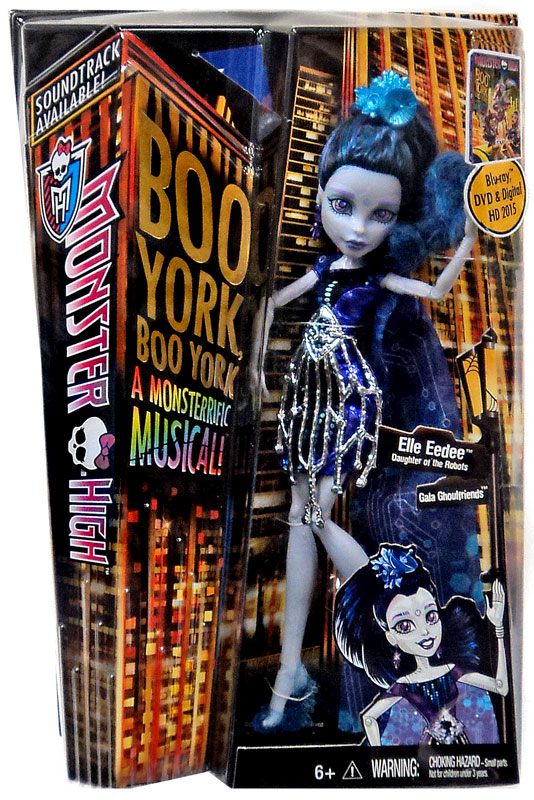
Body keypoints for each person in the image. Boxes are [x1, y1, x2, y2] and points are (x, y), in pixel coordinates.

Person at [250, 70, 477, 731]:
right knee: (299, 520)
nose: (356, 228)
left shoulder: (379, 276)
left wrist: (467, 237)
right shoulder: (324, 269)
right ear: (321, 197)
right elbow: (270, 304)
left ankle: (393, 598)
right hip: (306, 390)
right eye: (342, 206)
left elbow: (434, 293)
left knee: (314, 516)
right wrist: (255, 355)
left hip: (346, 395)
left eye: (380, 215)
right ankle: (291, 670)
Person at [334, 543, 507, 745]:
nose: (424, 632)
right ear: (391, 637)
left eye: (431, 616)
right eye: (405, 626)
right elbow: (369, 718)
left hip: (463, 753)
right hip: (423, 754)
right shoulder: (404, 685)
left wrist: (498, 627)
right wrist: (379, 755)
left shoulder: (452, 671)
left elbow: (501, 687)